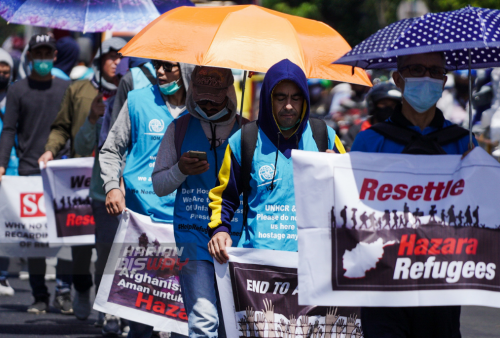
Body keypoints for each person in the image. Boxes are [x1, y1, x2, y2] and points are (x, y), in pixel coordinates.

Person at [351, 52, 478, 338]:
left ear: (444, 81)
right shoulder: (370, 141)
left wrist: (480, 169)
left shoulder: (464, 142)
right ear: (398, 78)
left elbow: (479, 212)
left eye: (435, 72)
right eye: (417, 69)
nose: (427, 78)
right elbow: (351, 209)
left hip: (440, 282)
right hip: (384, 281)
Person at [207, 59, 345, 262]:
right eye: (280, 98)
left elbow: (351, 193)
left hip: (314, 261)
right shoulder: (244, 140)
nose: (288, 105)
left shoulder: (325, 136)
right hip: (258, 264)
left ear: (305, 99)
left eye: (296, 98)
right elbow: (224, 197)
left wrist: (339, 172)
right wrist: (219, 230)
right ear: (267, 98)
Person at [100, 60, 193, 338]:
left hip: (184, 223)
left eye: (169, 67)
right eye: (158, 66)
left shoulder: (201, 110)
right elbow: (111, 149)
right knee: (138, 314)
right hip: (141, 221)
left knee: (178, 317)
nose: (161, 72)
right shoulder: (138, 101)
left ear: (186, 70)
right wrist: (111, 186)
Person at [38, 37, 127, 321]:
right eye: (109, 56)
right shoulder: (78, 89)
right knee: (79, 246)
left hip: (111, 185)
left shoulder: (131, 91)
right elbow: (61, 127)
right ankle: (82, 289)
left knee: (110, 248)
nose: (115, 62)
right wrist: (51, 150)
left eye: (120, 57)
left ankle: (110, 304)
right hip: (78, 180)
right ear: (99, 59)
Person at [152, 66, 245, 338]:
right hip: (192, 237)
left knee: (234, 327)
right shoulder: (178, 128)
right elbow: (159, 185)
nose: (206, 104)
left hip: (236, 241)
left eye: (213, 97)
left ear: (228, 91)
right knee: (203, 322)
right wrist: (180, 169)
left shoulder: (247, 132)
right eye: (201, 96)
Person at [73, 56, 156, 336]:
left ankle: (144, 315)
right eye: (126, 78)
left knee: (140, 259)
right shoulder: (108, 107)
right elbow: (89, 147)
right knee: (108, 255)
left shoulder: (157, 109)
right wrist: (93, 119)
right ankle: (107, 308)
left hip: (142, 196)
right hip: (105, 195)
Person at [0, 34, 72, 314]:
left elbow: (73, 128)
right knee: (35, 239)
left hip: (62, 173)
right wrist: (2, 163)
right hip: (29, 172)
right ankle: (39, 294)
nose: (42, 58)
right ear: (30, 57)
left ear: (54, 57)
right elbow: (8, 130)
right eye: (37, 53)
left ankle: (64, 291)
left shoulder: (67, 89)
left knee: (66, 238)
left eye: (47, 53)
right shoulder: (18, 91)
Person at [0, 48, 17, 297]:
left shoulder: (15, 95)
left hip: (11, 169)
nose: (2, 74)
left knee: (5, 227)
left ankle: (2, 276)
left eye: (6, 71)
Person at [342, 82, 401, 151]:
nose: (388, 108)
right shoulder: (358, 130)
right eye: (383, 104)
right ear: (373, 105)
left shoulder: (404, 132)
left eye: (393, 105)